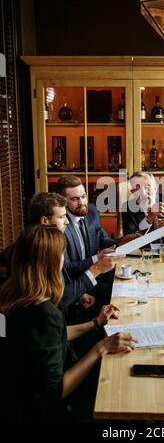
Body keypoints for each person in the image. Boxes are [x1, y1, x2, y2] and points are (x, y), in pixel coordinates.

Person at [0, 225, 137, 422]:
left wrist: (96, 323)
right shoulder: (45, 313)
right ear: (51, 263)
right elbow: (54, 392)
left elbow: (50, 337)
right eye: (62, 254)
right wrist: (101, 348)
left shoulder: (10, 295)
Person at [27, 192, 114, 315]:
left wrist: (80, 295)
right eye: (62, 217)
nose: (67, 222)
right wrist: (97, 268)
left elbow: (62, 282)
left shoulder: (48, 241)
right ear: (45, 220)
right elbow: (56, 302)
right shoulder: (39, 248)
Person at [55, 175, 116, 317]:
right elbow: (67, 269)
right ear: (63, 201)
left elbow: (103, 238)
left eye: (83, 196)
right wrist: (97, 259)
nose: (82, 202)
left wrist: (121, 247)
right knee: (115, 292)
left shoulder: (92, 211)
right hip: (75, 284)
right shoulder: (60, 226)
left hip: (96, 277)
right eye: (75, 199)